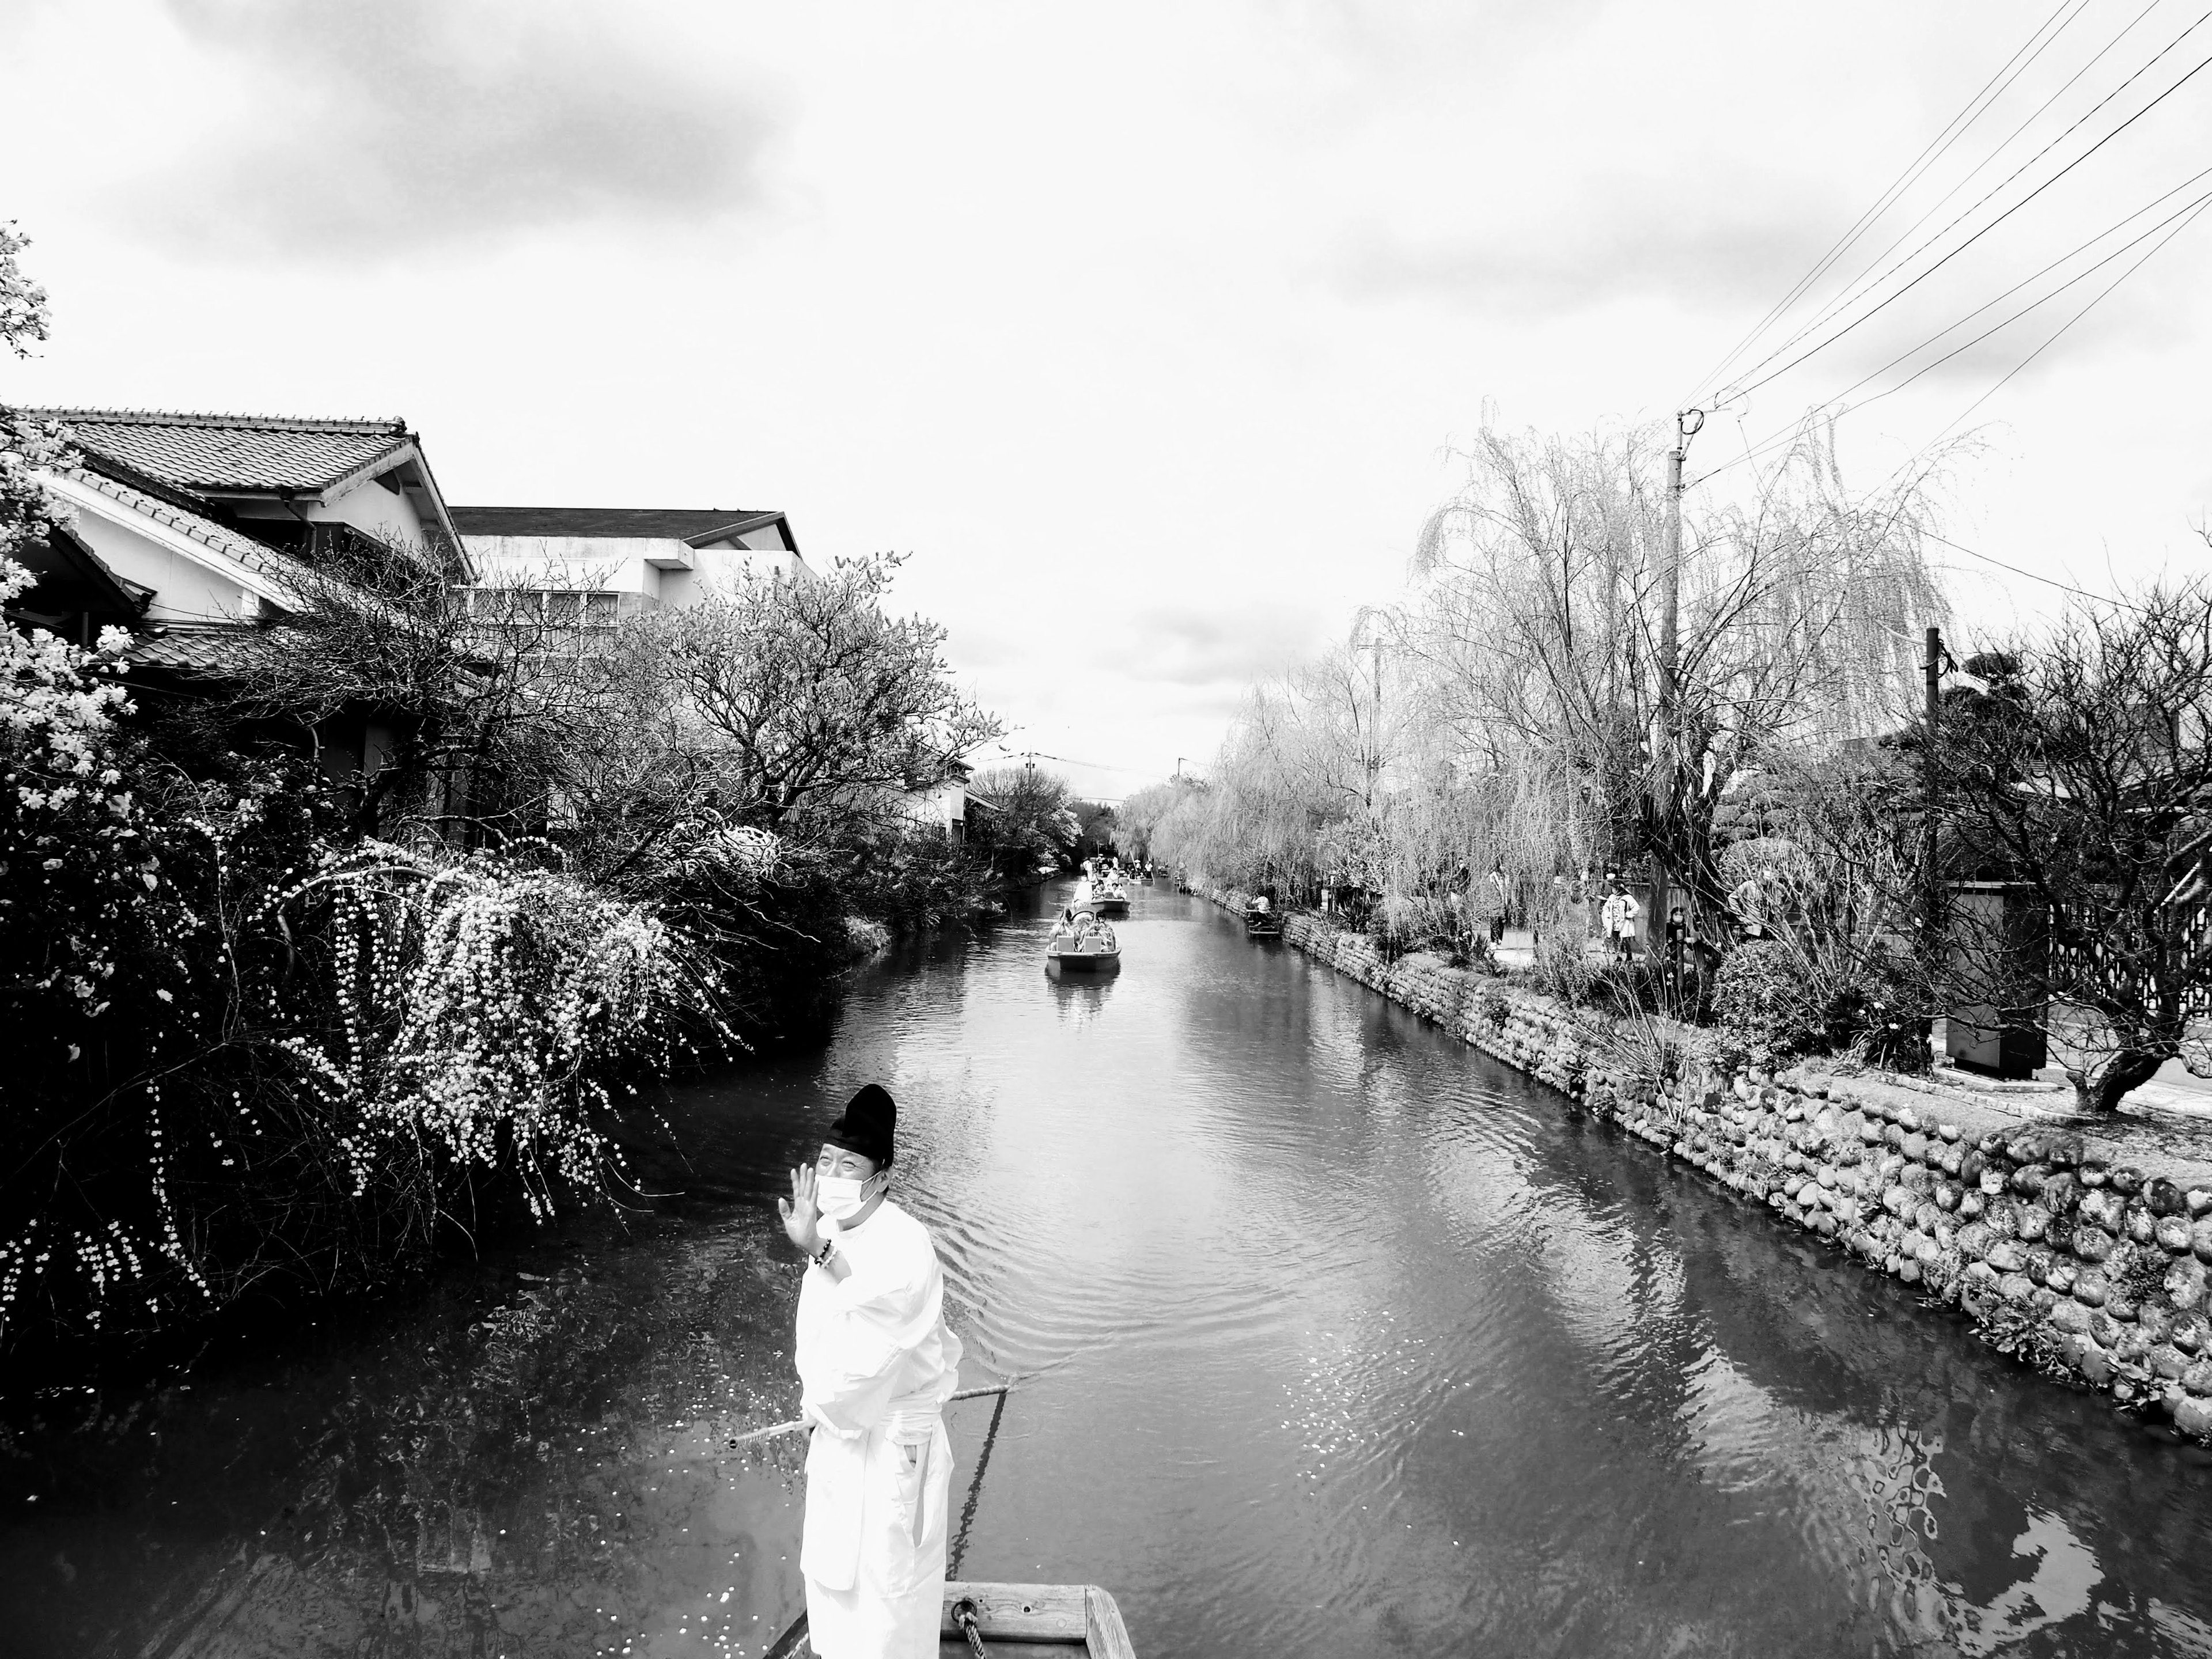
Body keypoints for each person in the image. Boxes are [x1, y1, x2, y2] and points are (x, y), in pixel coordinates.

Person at [778, 1085, 963, 1659]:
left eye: (848, 1164)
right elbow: (819, 1336)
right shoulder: (828, 1228)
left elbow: (878, 1339)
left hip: (891, 1444)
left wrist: (816, 1248)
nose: (831, 1173)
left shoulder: (907, 1243)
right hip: (839, 1430)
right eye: (826, 1161)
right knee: (835, 1579)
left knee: (889, 1592)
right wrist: (818, 1409)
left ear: (880, 1175)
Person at [1600, 877, 1641, 961]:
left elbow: (1636, 907)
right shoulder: (1612, 898)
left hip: (1624, 923)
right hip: (1614, 922)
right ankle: (1618, 956)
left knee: (1625, 940)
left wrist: (1629, 914)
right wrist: (1608, 915)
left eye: (1614, 888)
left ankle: (1629, 955)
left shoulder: (1627, 898)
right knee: (1615, 939)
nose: (1613, 890)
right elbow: (1606, 907)